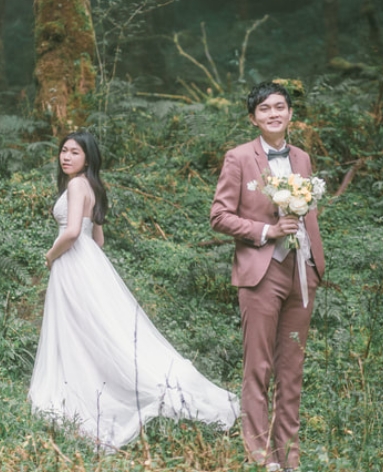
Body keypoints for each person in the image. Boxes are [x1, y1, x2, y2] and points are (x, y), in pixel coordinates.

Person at [28, 131, 239, 449]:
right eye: (63, 151)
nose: (66, 156)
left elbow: (72, 232)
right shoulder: (92, 186)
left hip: (72, 263)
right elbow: (97, 240)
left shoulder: (75, 185)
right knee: (99, 328)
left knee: (81, 328)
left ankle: (90, 385)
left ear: (88, 158)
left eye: (74, 152)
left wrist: (50, 255)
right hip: (90, 263)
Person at [211, 81, 325, 472]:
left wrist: (313, 263)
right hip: (261, 272)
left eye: (280, 107)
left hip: (302, 272)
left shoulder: (304, 159)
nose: (274, 113)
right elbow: (219, 216)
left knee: (292, 369)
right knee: (258, 368)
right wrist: (267, 231)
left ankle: (289, 459)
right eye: (264, 109)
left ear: (291, 114)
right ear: (253, 118)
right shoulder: (239, 158)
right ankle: (261, 461)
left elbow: (309, 214)